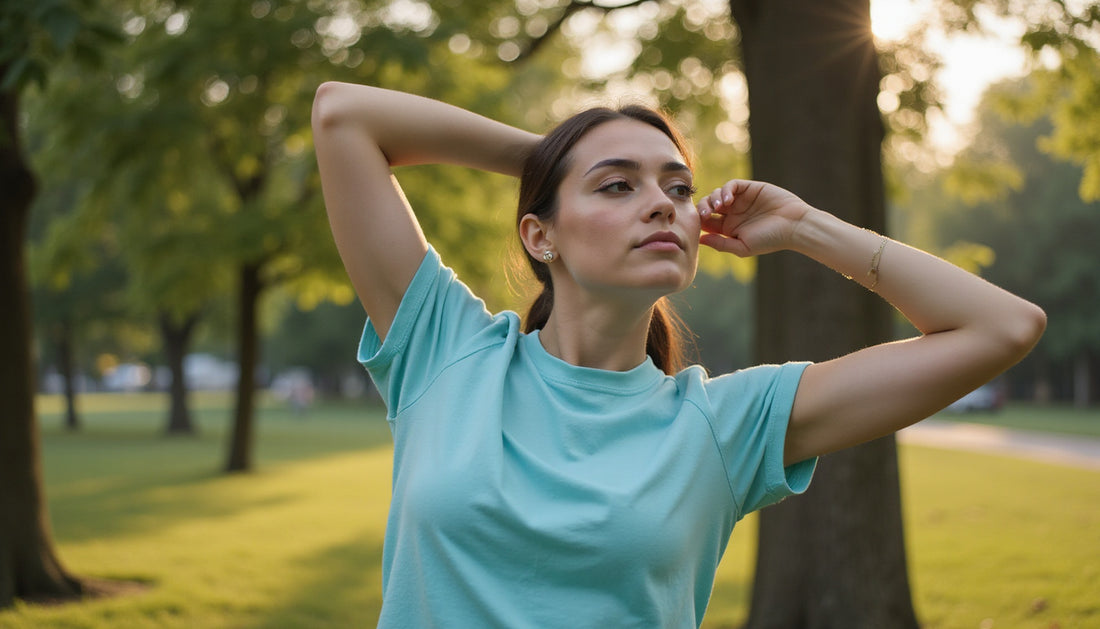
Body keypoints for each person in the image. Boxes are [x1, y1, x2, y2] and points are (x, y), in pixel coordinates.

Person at [311, 82, 1046, 628]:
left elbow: (1002, 326)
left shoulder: (725, 425)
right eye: (617, 185)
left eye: (679, 187)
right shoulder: (448, 353)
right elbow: (343, 114)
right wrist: (549, 158)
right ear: (541, 235)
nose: (664, 203)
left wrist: (806, 226)